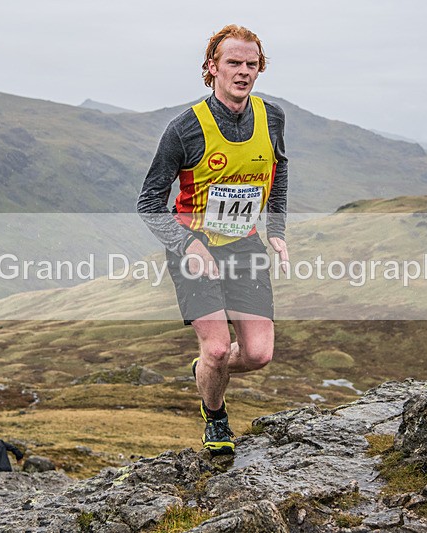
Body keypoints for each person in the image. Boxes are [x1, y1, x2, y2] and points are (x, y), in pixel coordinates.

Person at [137, 24, 288, 455]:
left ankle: (205, 367)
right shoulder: (184, 128)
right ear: (211, 67)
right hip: (192, 245)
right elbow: (149, 202)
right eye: (233, 63)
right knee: (219, 347)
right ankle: (216, 416)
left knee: (258, 354)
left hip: (244, 245)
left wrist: (275, 231)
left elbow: (278, 174)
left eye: (251, 64)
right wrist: (188, 244)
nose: (243, 71)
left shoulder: (271, 117)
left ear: (260, 69)